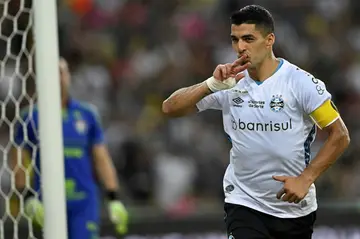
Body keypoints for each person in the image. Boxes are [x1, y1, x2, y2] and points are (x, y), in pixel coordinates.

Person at [162, 5, 350, 239]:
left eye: (248, 39)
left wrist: (306, 179)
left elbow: (339, 135)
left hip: (294, 209)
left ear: (269, 39)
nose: (240, 47)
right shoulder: (229, 82)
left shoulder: (300, 83)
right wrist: (209, 85)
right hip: (244, 203)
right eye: (235, 39)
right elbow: (170, 108)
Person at [10, 58, 129, 239]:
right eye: (53, 71)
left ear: (68, 76)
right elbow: (19, 160)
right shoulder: (30, 116)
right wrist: (27, 198)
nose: (58, 77)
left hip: (83, 202)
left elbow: (101, 159)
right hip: (46, 202)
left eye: (62, 72)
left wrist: (114, 198)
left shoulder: (87, 114)